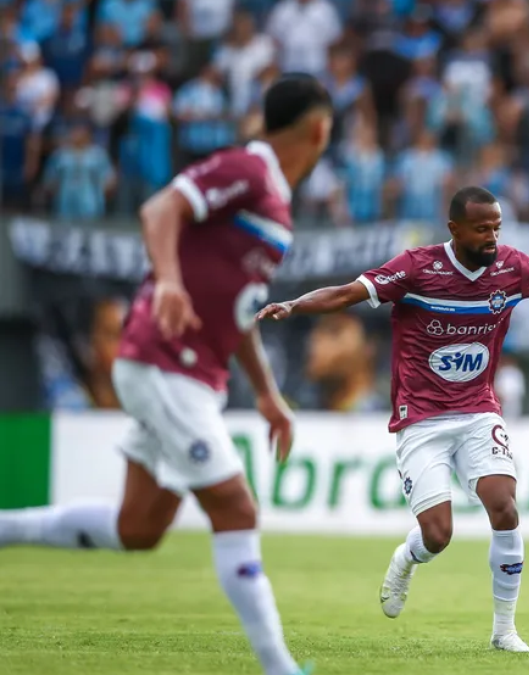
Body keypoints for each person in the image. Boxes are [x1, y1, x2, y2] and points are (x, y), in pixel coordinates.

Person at [255, 186, 529, 653]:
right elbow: (348, 293)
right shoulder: (416, 268)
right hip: (420, 418)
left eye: (496, 228)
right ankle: (407, 557)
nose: (491, 237)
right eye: (482, 229)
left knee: (504, 506)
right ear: (455, 229)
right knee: (438, 536)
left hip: (479, 410)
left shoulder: (511, 267)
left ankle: (504, 632)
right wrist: (295, 304)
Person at [0, 74, 334, 675]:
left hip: (192, 373)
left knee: (139, 527)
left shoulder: (276, 206)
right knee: (236, 509)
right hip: (164, 362)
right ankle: (280, 669)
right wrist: (171, 281)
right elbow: (160, 208)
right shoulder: (250, 170)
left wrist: (265, 392)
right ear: (319, 129)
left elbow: (237, 312)